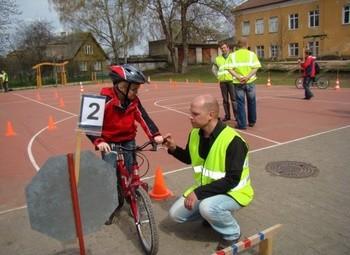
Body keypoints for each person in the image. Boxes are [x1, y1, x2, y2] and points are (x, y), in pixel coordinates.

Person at [163, 94, 254, 251]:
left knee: (207, 207)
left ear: (211, 115)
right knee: (175, 215)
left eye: (195, 114)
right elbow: (189, 158)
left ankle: (231, 233)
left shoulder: (234, 141)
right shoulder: (195, 134)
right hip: (209, 190)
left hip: (234, 193)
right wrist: (173, 148)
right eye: (191, 113)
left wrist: (198, 193)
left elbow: (232, 180)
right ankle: (213, 217)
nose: (190, 117)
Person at [87, 64, 164, 224]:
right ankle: (111, 205)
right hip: (108, 141)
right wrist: (98, 141)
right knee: (109, 173)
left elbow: (144, 117)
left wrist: (155, 135)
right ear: (122, 86)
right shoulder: (103, 100)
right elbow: (89, 125)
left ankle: (134, 198)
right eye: (134, 89)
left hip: (128, 138)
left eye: (137, 90)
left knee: (132, 170)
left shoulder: (133, 101)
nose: (136, 93)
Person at [227, 38, 261, 130]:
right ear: (247, 44)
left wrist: (238, 77)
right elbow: (256, 67)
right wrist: (248, 77)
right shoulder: (252, 54)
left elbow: (229, 68)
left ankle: (242, 124)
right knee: (252, 101)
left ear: (238, 45)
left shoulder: (232, 55)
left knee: (240, 103)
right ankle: (252, 121)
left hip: (238, 82)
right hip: (250, 81)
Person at [212, 42, 237, 122]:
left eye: (224, 47)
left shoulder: (232, 57)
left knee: (234, 99)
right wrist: (218, 76)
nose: (223, 49)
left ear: (228, 48)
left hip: (232, 81)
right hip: (223, 82)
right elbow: (214, 69)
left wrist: (236, 76)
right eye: (222, 48)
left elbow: (237, 67)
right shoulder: (218, 59)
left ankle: (237, 116)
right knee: (225, 100)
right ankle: (227, 116)